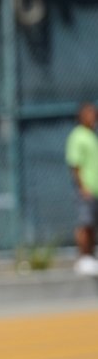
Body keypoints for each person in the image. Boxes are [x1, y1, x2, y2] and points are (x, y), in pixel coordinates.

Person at [65, 102, 98, 276]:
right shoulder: (78, 136)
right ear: (81, 116)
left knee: (92, 225)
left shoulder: (92, 135)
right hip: (86, 191)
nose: (94, 116)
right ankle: (83, 258)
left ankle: (90, 257)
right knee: (85, 223)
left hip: (95, 190)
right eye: (90, 113)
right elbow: (75, 164)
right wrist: (83, 187)